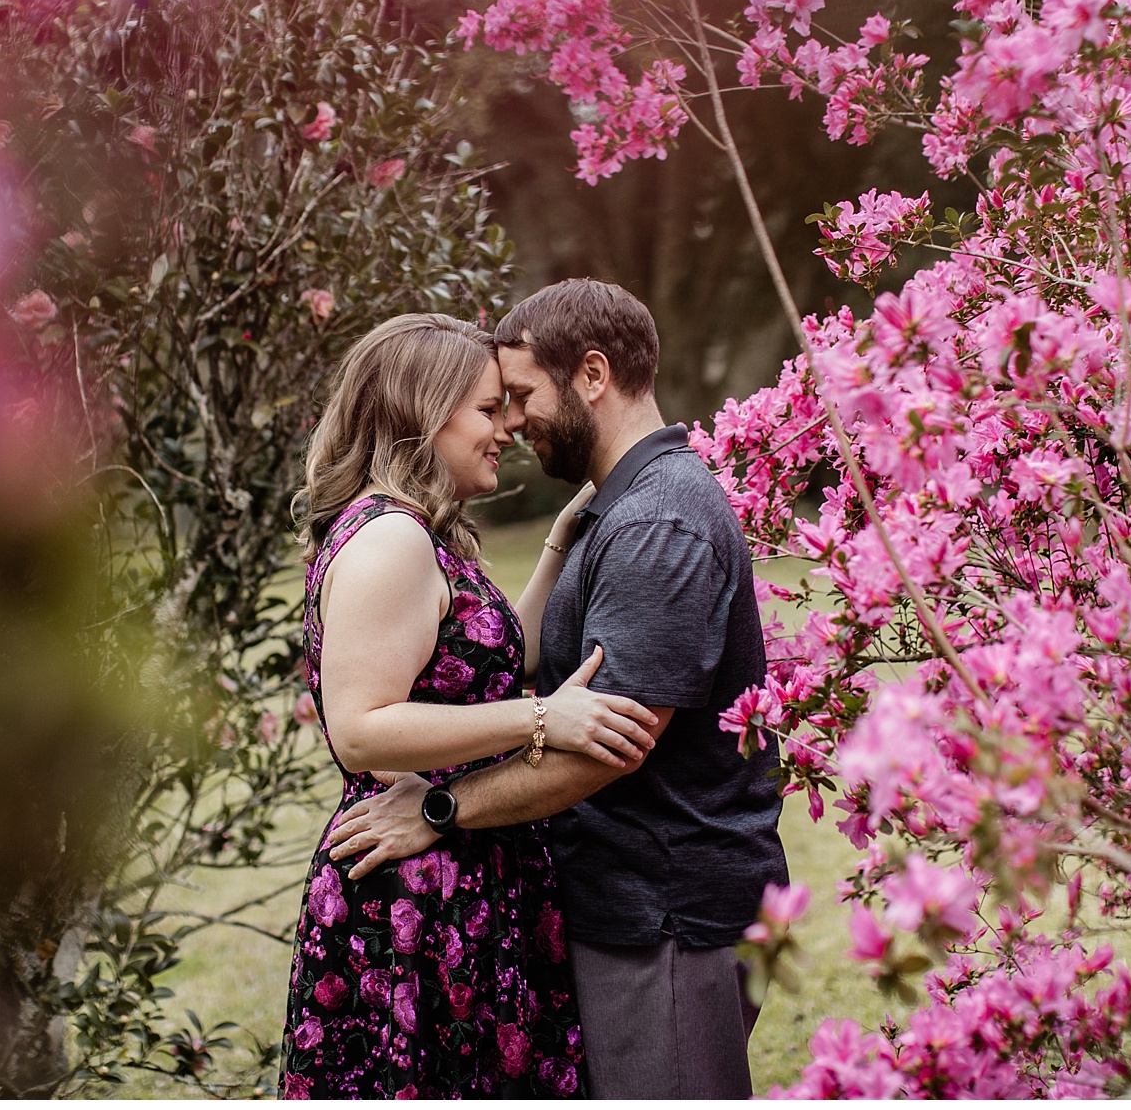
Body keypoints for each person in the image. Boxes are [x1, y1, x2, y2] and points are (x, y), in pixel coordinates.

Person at [326, 280, 789, 1099]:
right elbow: (522, 676)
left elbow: (608, 744)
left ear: (594, 375)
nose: (512, 420)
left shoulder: (655, 521)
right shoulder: (618, 512)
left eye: (521, 395)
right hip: (622, 906)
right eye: (492, 404)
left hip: (664, 908)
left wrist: (441, 807)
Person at [280, 312, 661, 1099]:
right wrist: (543, 718)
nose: (507, 429)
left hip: (459, 870)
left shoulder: (421, 532)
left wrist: (561, 541)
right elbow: (360, 728)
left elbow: (481, 666)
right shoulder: (391, 539)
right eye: (489, 409)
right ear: (426, 412)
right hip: (413, 896)